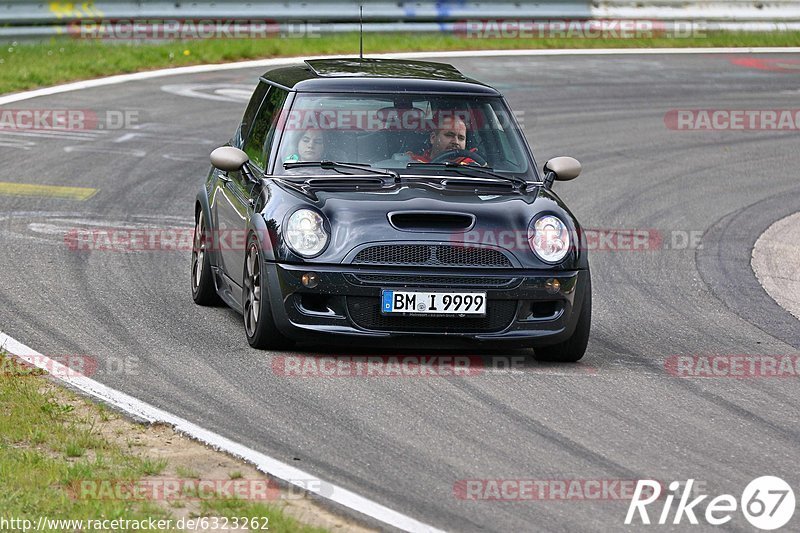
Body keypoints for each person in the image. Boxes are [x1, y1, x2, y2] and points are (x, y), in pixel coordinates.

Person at [408, 115, 480, 165]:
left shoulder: (476, 167)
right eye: (449, 135)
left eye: (461, 138)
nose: (456, 142)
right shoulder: (413, 163)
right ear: (433, 138)